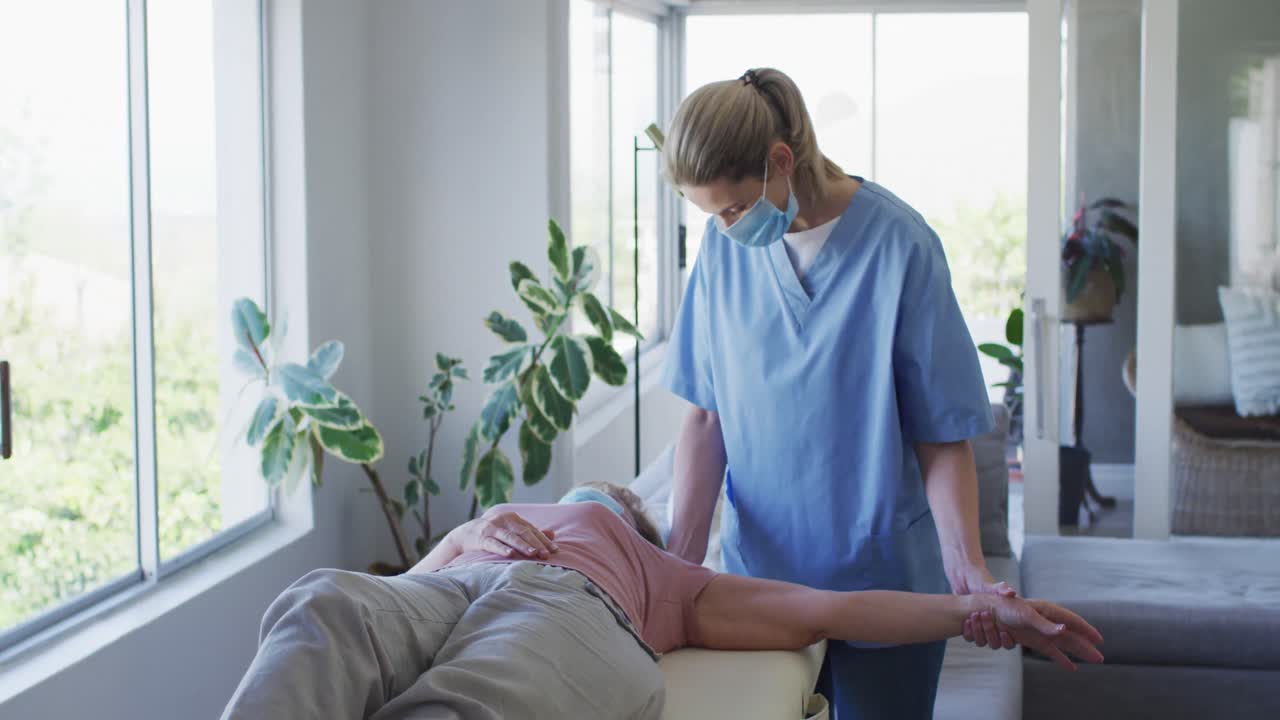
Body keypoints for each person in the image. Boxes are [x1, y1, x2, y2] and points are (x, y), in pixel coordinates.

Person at [660, 67, 1015, 719]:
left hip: (882, 579)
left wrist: (969, 574)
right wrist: (674, 571)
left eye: (734, 206)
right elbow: (707, 418)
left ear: (780, 161)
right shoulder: (722, 249)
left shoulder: (900, 246)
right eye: (712, 213)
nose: (726, 226)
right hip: (758, 587)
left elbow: (942, 434)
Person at [221, 484, 1103, 720]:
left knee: (480, 692)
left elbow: (828, 610)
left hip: (573, 612)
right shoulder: (492, 521)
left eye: (605, 499)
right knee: (322, 605)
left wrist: (977, 610)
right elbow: (391, 606)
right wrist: (475, 534)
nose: (586, 499)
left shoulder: (659, 574)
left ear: (631, 518)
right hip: (452, 584)